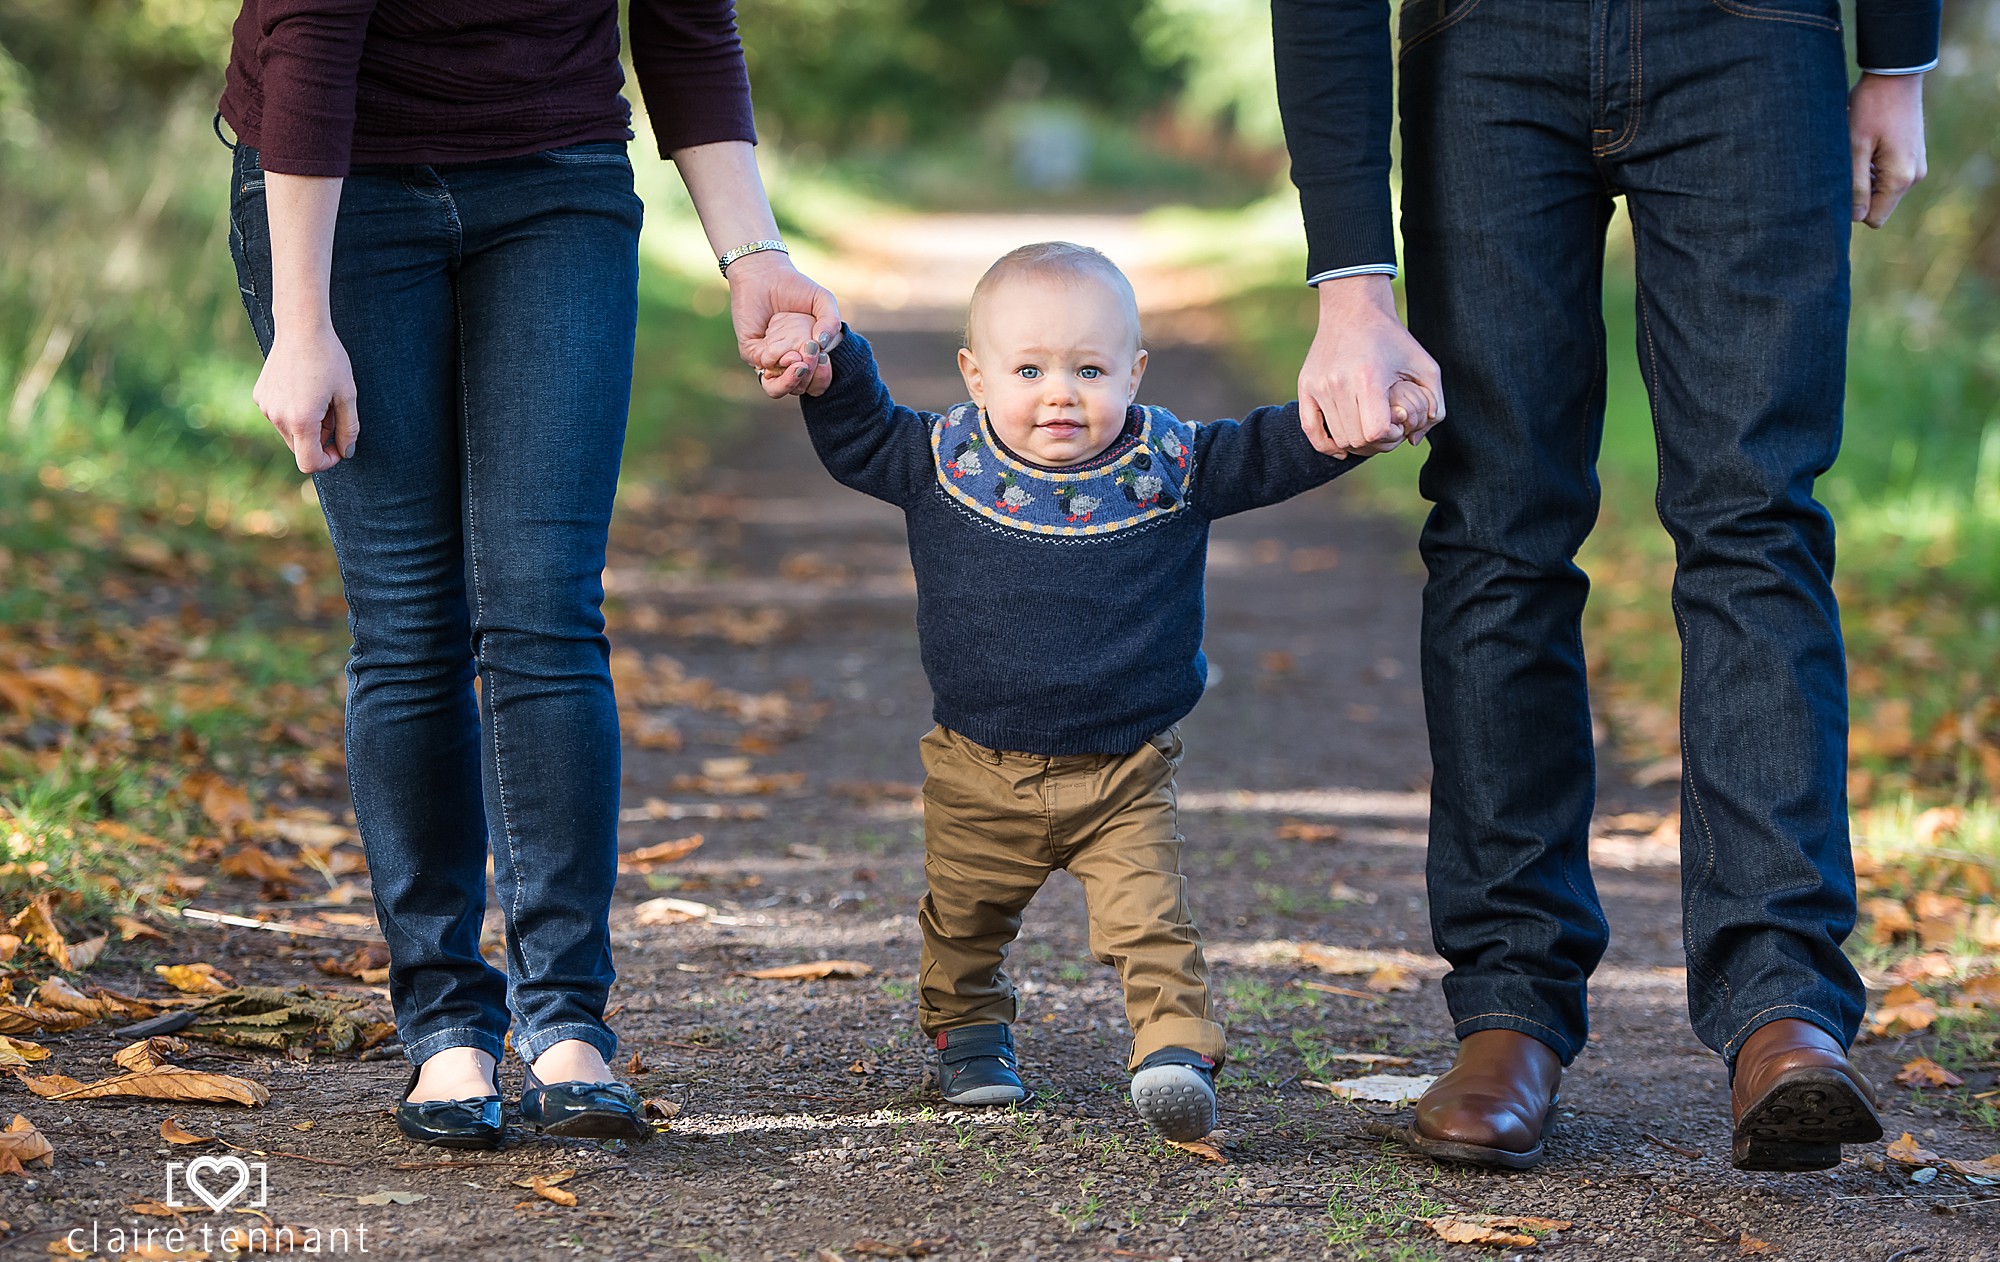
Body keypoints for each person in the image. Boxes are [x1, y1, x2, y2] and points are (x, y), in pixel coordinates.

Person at [1271, 0, 1939, 1169]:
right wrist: (1350, 284)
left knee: (1756, 517)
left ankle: (1783, 1006)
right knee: (1494, 524)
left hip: (1749, 33)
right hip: (1482, 44)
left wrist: (1894, 57)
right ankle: (1506, 1011)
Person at [220, 0, 835, 1148]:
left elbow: (687, 28)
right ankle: (447, 1028)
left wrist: (755, 255)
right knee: (408, 623)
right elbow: (312, 35)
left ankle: (567, 1025)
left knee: (544, 608)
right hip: (337, 191)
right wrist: (301, 326)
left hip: (557, 183)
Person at [790, 242, 1422, 1139]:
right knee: (963, 920)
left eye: (1090, 368)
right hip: (979, 766)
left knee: (1150, 920)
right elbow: (858, 433)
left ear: (1136, 370)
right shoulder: (941, 462)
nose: (1060, 393)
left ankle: (1173, 1051)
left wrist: (1363, 417)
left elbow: (1277, 451)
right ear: (974, 375)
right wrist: (832, 364)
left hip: (1124, 768)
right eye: (1029, 368)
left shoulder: (1172, 464)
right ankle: (968, 1032)